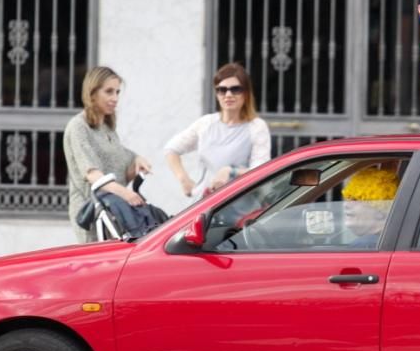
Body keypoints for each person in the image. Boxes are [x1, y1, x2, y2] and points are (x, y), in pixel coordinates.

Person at [63, 66, 152, 243]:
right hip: (92, 213)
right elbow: (92, 174)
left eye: (117, 92)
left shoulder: (107, 129)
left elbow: (120, 171)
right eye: (109, 92)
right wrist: (127, 195)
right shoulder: (79, 127)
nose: (115, 98)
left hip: (114, 212)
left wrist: (137, 162)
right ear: (92, 92)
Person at [164, 63, 270, 201]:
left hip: (241, 207)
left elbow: (261, 172)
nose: (228, 94)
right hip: (205, 205)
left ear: (246, 93)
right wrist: (184, 179)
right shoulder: (206, 124)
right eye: (222, 90)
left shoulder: (256, 127)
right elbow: (171, 149)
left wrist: (230, 172)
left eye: (235, 89)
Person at [341, 167, 400, 249]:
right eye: (348, 198)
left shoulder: (365, 246)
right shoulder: (395, 240)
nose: (346, 205)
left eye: (356, 200)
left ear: (380, 211)